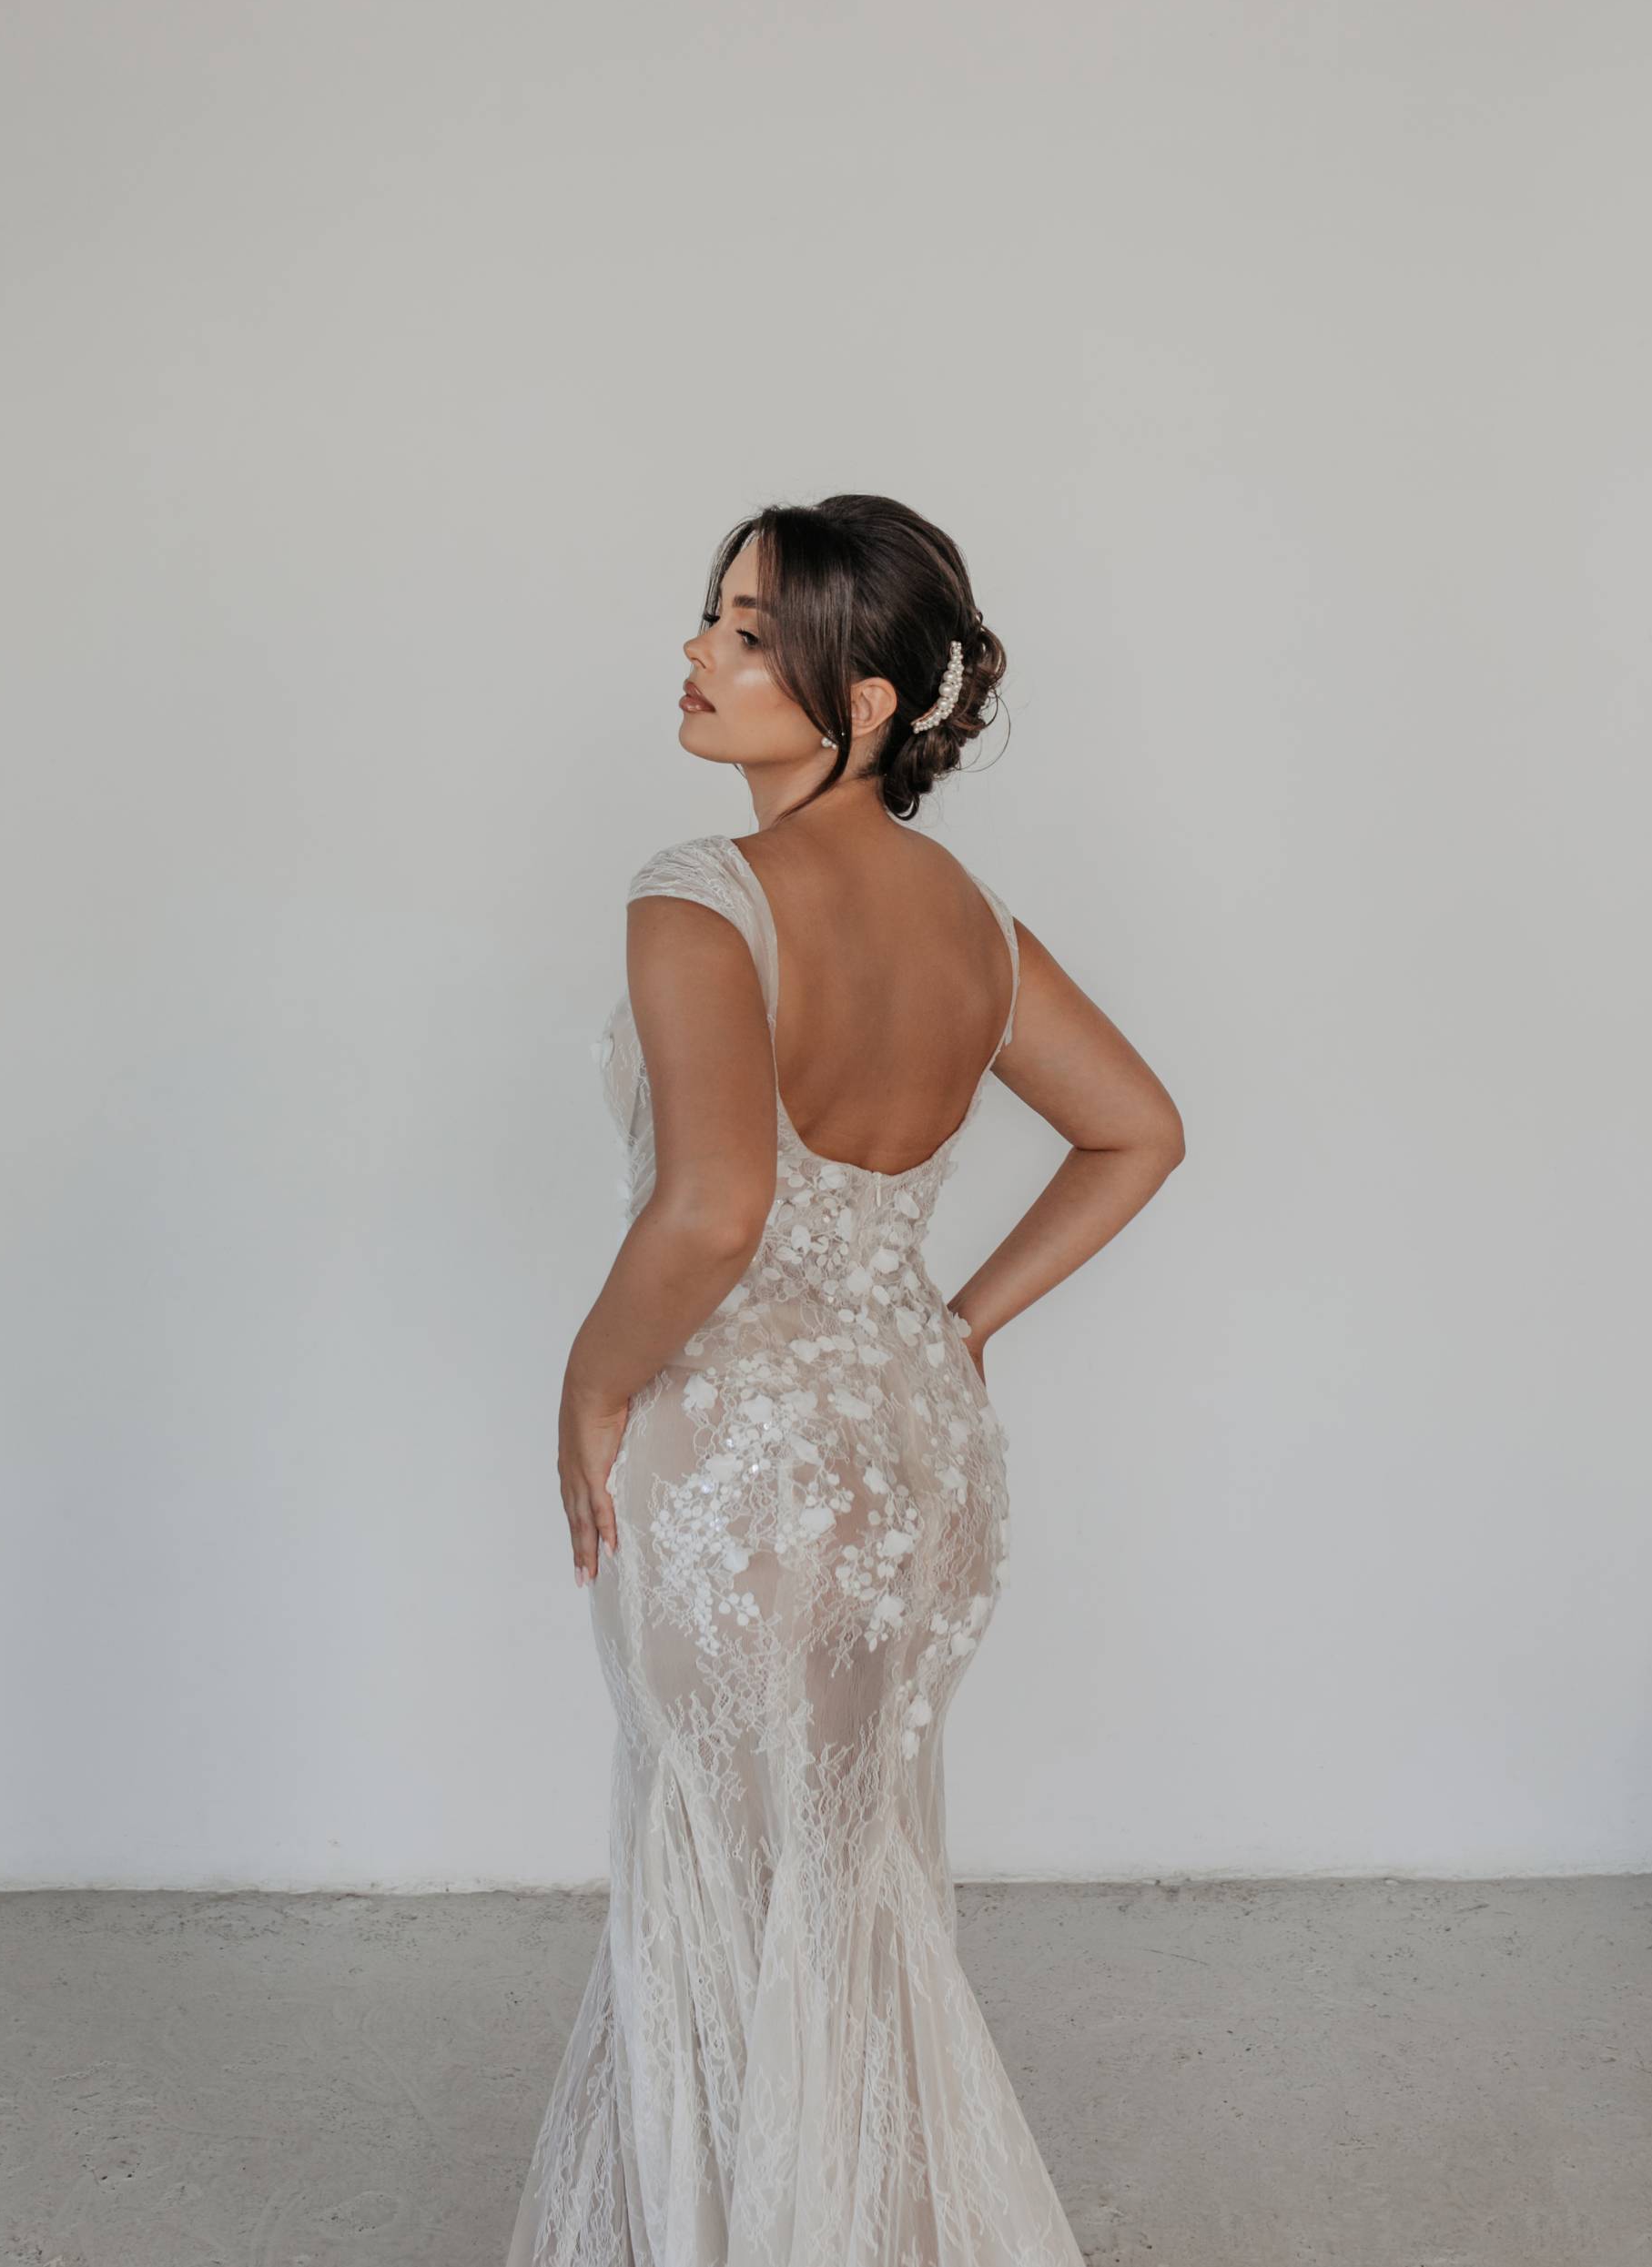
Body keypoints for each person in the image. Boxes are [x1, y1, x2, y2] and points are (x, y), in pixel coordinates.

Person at [505, 494, 1186, 2267]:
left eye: (747, 630)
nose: (698, 651)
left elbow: (713, 1207)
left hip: (735, 1456)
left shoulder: (698, 896)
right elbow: (1137, 1129)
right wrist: (955, 1325)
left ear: (863, 699)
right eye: (712, 615)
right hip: (919, 1461)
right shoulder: (972, 920)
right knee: (850, 1882)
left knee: (718, 1880)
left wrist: (588, 1386)